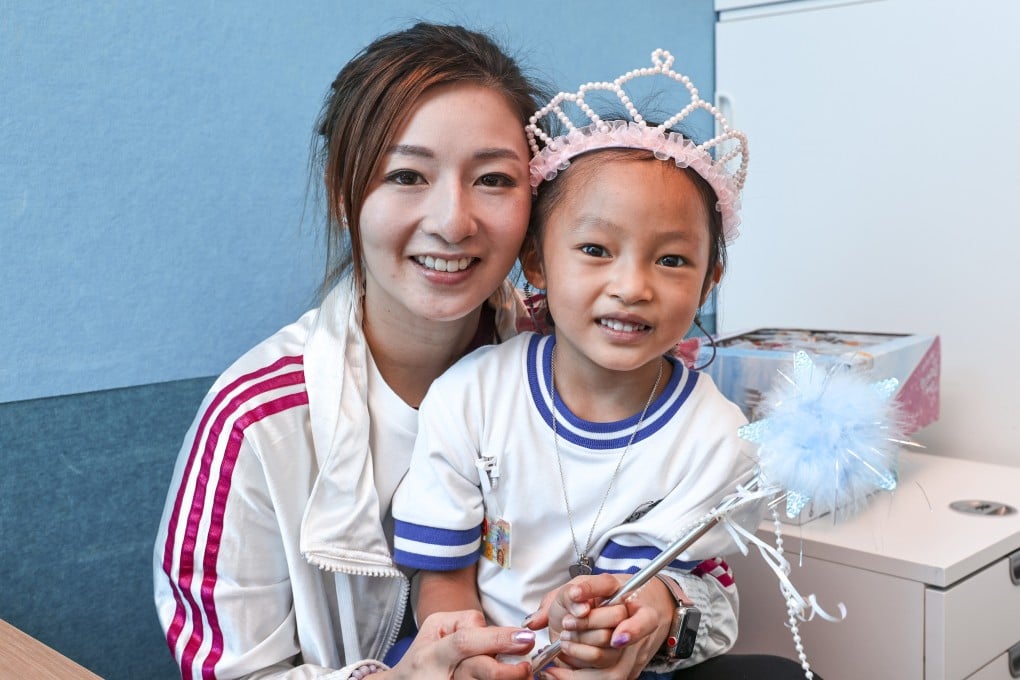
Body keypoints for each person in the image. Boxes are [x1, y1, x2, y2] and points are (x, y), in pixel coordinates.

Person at [392, 50, 817, 679]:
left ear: (709, 281)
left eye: (671, 260)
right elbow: (444, 572)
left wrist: (640, 618)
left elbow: (677, 592)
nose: (632, 286)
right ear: (536, 262)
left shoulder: (716, 439)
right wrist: (470, 649)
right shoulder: (471, 396)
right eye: (595, 249)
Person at [153, 22, 553, 680]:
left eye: (493, 180)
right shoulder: (256, 421)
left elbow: (699, 567)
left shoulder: (567, 367)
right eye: (406, 175)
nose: (453, 221)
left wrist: (655, 611)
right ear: (344, 194)